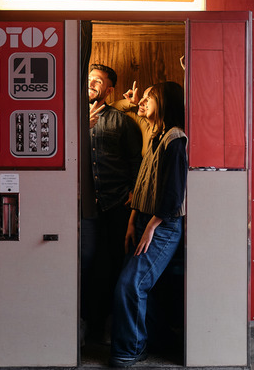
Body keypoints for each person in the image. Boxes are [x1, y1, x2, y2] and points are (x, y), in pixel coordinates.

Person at [109, 81, 188, 368]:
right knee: (143, 287)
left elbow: (174, 193)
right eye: (140, 99)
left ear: (165, 102)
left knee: (129, 286)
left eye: (148, 98)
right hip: (144, 220)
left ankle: (130, 349)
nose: (141, 102)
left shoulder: (175, 139)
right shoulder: (155, 134)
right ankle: (158, 340)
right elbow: (141, 185)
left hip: (162, 225)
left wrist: (151, 227)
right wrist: (133, 221)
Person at [81, 64, 143, 344]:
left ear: (109, 89)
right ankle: (87, 324)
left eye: (98, 81)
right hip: (85, 208)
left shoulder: (123, 121)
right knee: (88, 264)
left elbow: (136, 162)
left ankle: (109, 325)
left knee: (115, 265)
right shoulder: (71, 118)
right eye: (89, 79)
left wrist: (132, 193)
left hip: (118, 203)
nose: (92, 83)